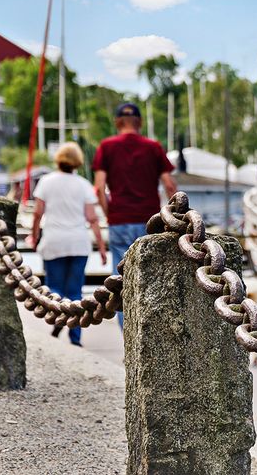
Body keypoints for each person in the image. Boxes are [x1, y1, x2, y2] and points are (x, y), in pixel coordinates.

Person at [92, 103, 176, 325]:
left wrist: (111, 213)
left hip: (119, 220)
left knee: (122, 283)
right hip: (149, 223)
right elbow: (169, 185)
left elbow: (99, 188)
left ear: (118, 122)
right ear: (139, 122)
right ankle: (152, 331)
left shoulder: (107, 147)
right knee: (152, 278)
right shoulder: (153, 147)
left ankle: (127, 337)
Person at [29, 142, 107, 346]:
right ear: (78, 162)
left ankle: (57, 322)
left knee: (54, 287)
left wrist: (34, 236)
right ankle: (76, 338)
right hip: (78, 243)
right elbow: (92, 218)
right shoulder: (83, 184)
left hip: (54, 241)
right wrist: (100, 246)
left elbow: (38, 214)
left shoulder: (46, 182)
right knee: (75, 291)